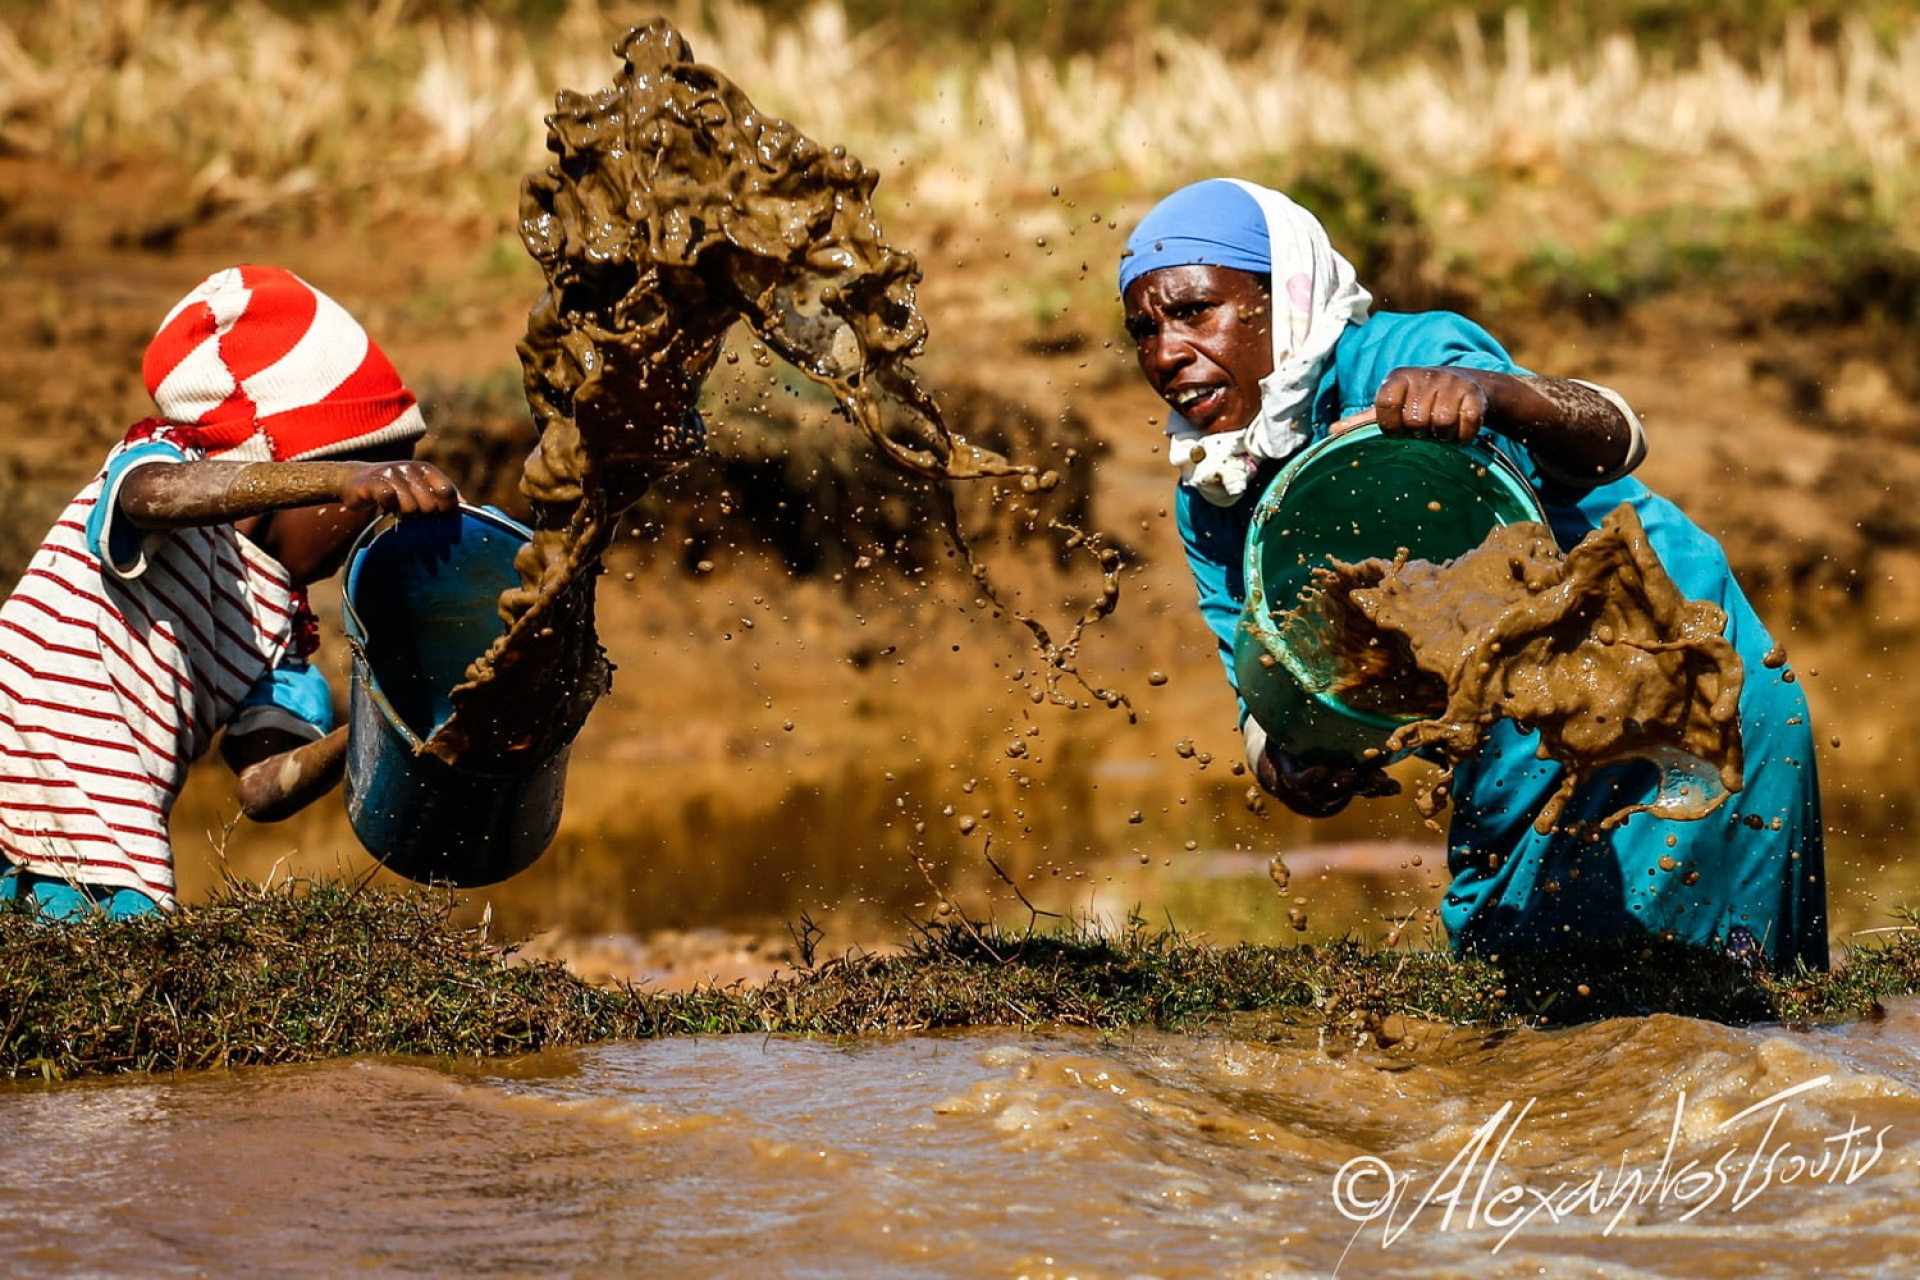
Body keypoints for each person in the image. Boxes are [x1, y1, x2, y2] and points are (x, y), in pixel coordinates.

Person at [1119, 178, 1827, 972]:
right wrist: (1289, 755)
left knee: (1733, 1029)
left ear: (1280, 294)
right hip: (1515, 768)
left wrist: (1490, 396)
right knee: (1550, 1033)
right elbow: (1263, 676)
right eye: (1142, 329)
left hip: (1683, 693)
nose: (1166, 353)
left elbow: (1614, 437)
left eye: (1193, 312)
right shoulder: (1217, 494)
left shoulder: (1402, 359)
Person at [0, 264, 461, 920]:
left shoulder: (279, 634)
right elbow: (149, 496)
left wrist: (385, 727)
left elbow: (263, 787)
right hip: (67, 821)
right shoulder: (163, 478)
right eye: (368, 499)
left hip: (101, 847)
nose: (369, 524)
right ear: (294, 467)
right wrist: (337, 481)